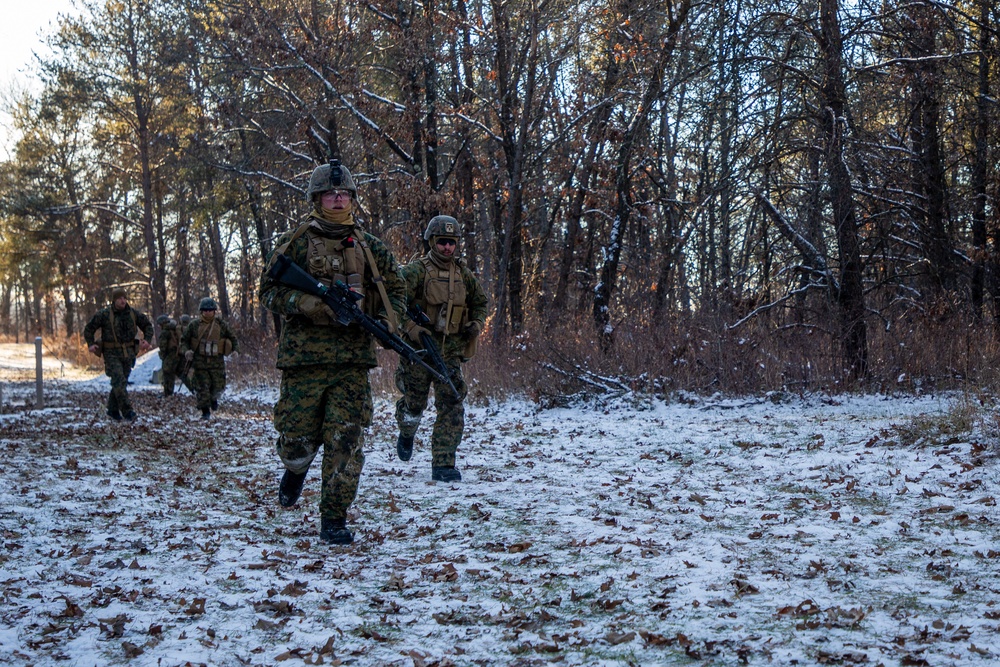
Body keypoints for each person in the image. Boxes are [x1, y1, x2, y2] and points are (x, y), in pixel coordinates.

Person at [259, 159, 406, 545]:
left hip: (352, 362)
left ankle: (334, 518)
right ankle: (295, 468)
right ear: (317, 197)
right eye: (330, 193)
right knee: (296, 440)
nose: (337, 198)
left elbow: (397, 290)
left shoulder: (371, 248)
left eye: (343, 193)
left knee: (346, 439)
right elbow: (269, 292)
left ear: (352, 198)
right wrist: (311, 305)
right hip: (303, 361)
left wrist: (392, 322)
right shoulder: (296, 242)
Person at [394, 215, 487, 482]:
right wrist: (411, 329)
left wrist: (476, 323)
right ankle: (407, 430)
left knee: (452, 404)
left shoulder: (463, 275)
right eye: (442, 242)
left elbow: (481, 302)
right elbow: (393, 302)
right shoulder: (415, 272)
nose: (447, 247)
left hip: (450, 353)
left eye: (452, 242)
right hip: (419, 352)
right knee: (415, 404)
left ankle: (444, 463)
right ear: (432, 242)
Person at [83, 287, 154, 421]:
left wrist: (147, 340)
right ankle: (128, 412)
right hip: (111, 354)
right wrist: (91, 343)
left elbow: (147, 326)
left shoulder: (133, 313)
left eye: (124, 298)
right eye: (120, 298)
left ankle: (112, 410)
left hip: (128, 354)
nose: (123, 301)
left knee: (120, 383)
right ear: (114, 300)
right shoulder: (104, 314)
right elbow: (89, 328)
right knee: (118, 380)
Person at [179, 297, 238, 420]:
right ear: (201, 311)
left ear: (214, 311)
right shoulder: (194, 325)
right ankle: (205, 411)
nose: (207, 312)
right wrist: (187, 351)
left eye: (210, 310)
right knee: (202, 387)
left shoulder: (222, 325)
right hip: (200, 362)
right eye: (205, 310)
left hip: (217, 362)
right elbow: (184, 341)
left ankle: (213, 399)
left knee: (218, 386)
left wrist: (235, 351)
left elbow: (233, 338)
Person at [156, 314, 180, 396]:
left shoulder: (165, 332)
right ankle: (170, 391)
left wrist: (162, 355)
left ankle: (167, 392)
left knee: (167, 373)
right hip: (176, 353)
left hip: (169, 354)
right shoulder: (173, 329)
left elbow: (163, 346)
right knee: (171, 373)